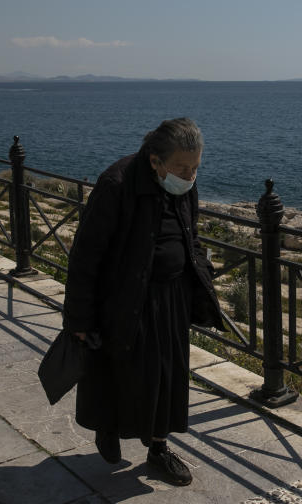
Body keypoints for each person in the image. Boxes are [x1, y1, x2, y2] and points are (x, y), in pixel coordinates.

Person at [63, 118, 226, 487]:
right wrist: (78, 318)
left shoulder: (184, 184)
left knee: (167, 376)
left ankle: (158, 448)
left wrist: (200, 269)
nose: (189, 175)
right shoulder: (116, 184)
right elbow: (86, 256)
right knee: (119, 367)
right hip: (124, 297)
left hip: (172, 296)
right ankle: (108, 426)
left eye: (196, 167)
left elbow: (190, 232)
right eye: (182, 167)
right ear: (155, 160)